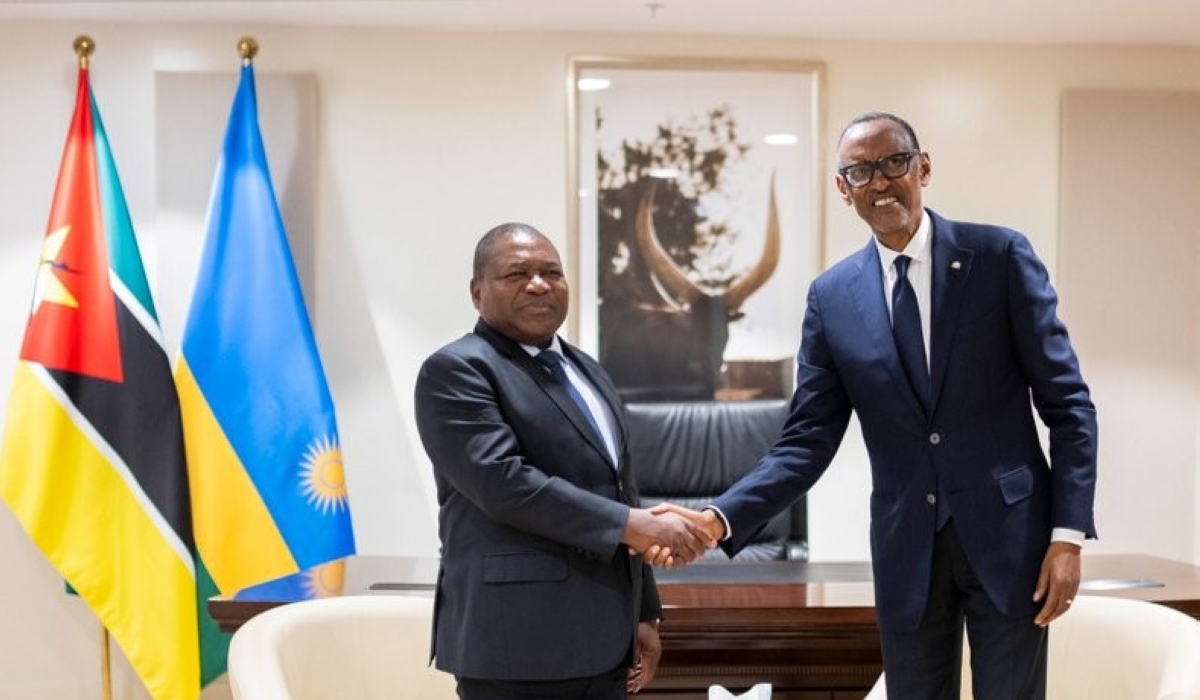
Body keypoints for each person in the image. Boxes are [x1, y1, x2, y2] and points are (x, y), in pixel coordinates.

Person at [657, 112, 1098, 700]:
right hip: (905, 548)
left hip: (1013, 543)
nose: (881, 183)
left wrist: (1066, 536)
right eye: (860, 172)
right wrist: (719, 518)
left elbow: (1068, 403)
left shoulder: (1000, 257)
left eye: (894, 163)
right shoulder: (832, 297)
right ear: (844, 189)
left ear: (923, 167)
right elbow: (806, 440)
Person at [414, 222, 710, 700]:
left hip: (606, 642)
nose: (538, 284)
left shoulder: (587, 370)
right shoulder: (457, 370)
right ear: (477, 291)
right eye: (517, 274)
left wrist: (644, 611)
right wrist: (633, 525)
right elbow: (504, 483)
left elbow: (621, 491)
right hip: (516, 646)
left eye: (552, 272)